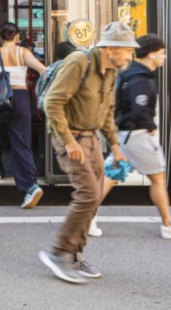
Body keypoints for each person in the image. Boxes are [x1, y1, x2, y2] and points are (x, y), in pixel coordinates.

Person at [38, 22, 137, 284]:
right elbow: (53, 103)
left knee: (93, 198)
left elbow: (106, 113)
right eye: (127, 50)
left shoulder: (112, 71)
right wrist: (68, 141)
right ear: (110, 48)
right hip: (70, 136)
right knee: (89, 194)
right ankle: (59, 253)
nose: (130, 55)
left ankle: (73, 255)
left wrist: (115, 147)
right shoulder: (79, 62)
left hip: (91, 139)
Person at [90, 35, 171, 239]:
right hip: (137, 135)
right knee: (157, 178)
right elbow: (140, 107)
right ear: (151, 54)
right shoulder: (140, 79)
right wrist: (151, 126)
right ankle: (168, 225)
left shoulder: (129, 73)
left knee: (111, 175)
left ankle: (87, 218)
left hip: (125, 134)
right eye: (163, 53)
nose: (165, 57)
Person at [0, 22, 46, 209]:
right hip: (21, 97)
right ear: (17, 36)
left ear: (0, 37)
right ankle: (29, 186)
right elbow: (43, 70)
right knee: (21, 141)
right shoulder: (24, 53)